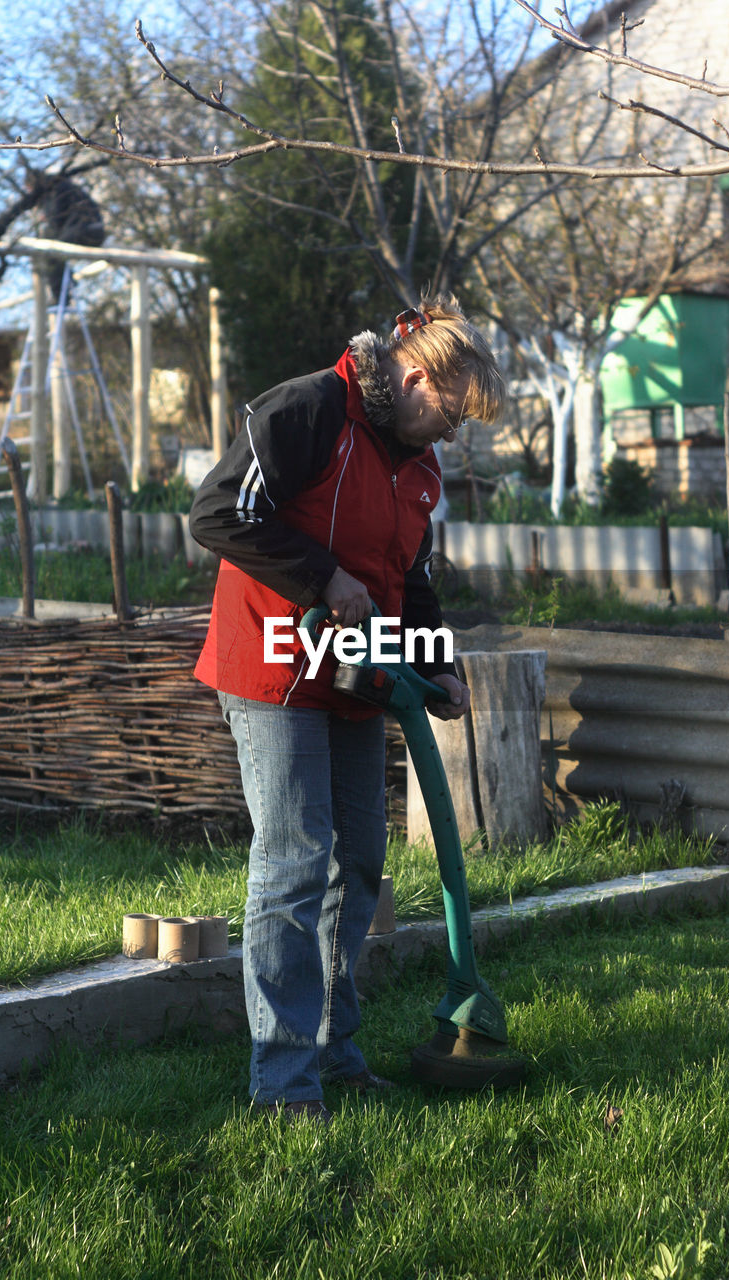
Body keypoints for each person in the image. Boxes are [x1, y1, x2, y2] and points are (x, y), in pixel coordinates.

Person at [189, 295, 504, 1123]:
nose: (453, 434)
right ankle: (282, 1087)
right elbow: (219, 513)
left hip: (352, 676)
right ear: (410, 376)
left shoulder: (419, 464)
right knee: (295, 864)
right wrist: (322, 577)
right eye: (451, 411)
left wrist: (437, 669)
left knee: (358, 859)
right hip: (271, 668)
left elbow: (413, 581)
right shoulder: (307, 410)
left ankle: (333, 1053)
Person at [27, 172, 105, 303]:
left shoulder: (57, 191)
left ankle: (61, 295)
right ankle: (67, 283)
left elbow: (56, 220)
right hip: (92, 230)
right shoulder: (64, 187)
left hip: (85, 231)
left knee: (50, 252)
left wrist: (46, 215)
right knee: (52, 248)